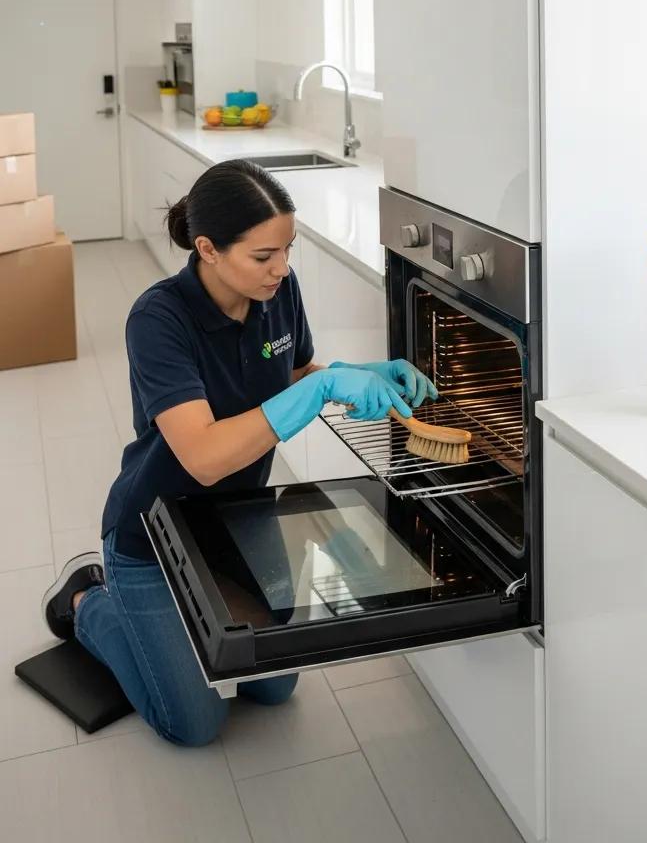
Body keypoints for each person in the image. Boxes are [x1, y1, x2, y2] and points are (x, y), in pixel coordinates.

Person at [39, 159, 436, 746]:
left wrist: (361, 373)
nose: (281, 268)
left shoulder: (280, 292)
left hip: (239, 521)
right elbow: (203, 455)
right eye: (262, 256)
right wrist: (319, 389)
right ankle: (89, 598)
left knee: (272, 687)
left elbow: (296, 371)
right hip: (155, 533)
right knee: (194, 725)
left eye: (287, 250)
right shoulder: (159, 318)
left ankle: (188, 615)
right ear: (208, 248)